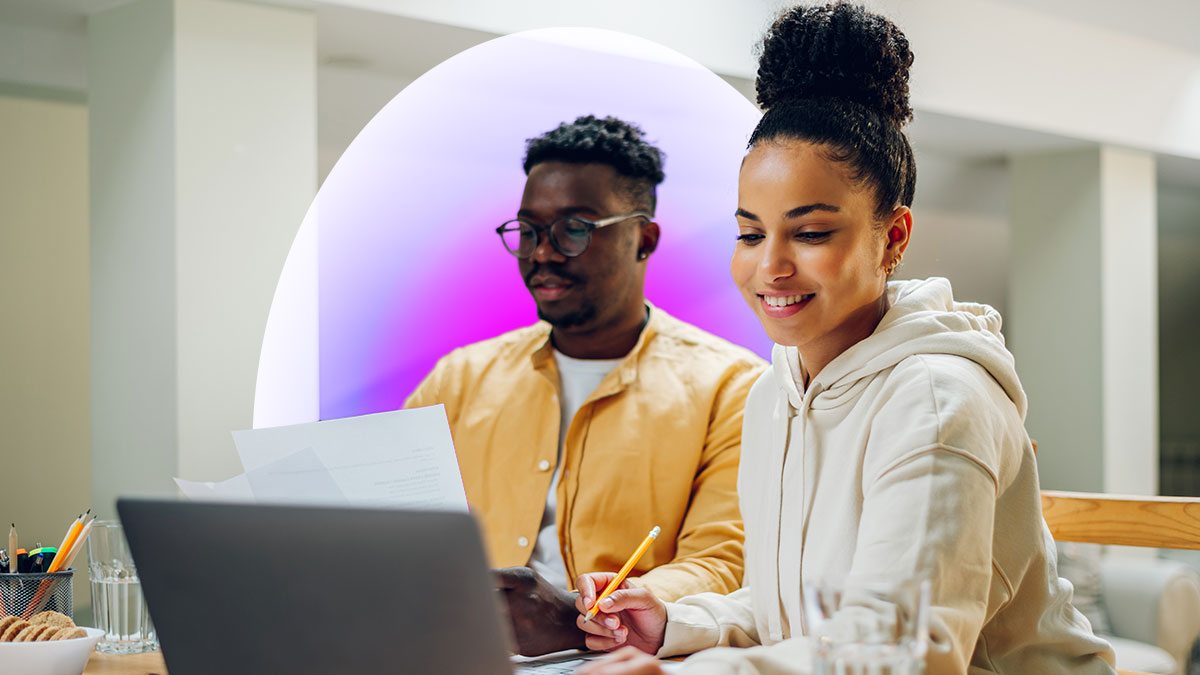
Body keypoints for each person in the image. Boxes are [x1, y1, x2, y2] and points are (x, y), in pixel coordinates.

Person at [572, 5, 1117, 674]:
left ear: (893, 238)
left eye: (810, 233)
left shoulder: (937, 401)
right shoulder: (776, 391)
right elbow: (797, 613)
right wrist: (677, 625)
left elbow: (899, 650)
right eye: (749, 233)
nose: (769, 266)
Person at [405, 115, 766, 656]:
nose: (543, 253)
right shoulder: (458, 379)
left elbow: (722, 560)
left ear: (643, 238)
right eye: (528, 231)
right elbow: (394, 528)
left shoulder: (732, 387)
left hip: (622, 662)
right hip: (455, 654)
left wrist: (585, 614)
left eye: (574, 229)